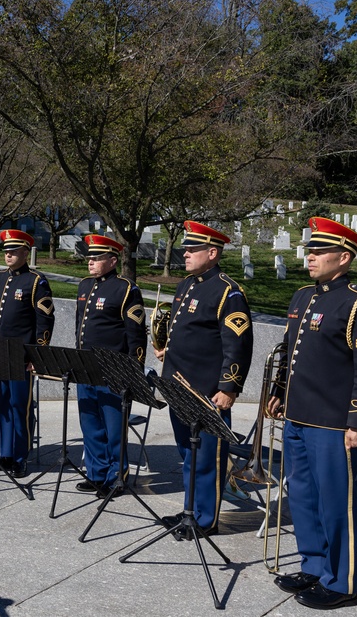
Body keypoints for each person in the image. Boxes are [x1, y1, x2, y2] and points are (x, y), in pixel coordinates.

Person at [267, 217, 357, 610]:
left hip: (335, 423)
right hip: (298, 417)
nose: (310, 256)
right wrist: (278, 392)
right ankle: (315, 565)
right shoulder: (303, 295)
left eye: (319, 251)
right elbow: (289, 351)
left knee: (335, 503)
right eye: (309, 250)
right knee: (301, 496)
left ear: (345, 257)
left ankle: (342, 582)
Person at [154, 221, 253, 540]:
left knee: (207, 459)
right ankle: (189, 511)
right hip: (179, 387)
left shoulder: (228, 291)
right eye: (186, 248)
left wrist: (229, 388)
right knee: (188, 454)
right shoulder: (187, 285)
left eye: (193, 249)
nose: (185, 253)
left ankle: (205, 519)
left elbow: (237, 344)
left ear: (212, 252)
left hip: (207, 392)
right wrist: (167, 349)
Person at [0, 229, 55, 479]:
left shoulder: (36, 281)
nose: (8, 254)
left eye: (13, 251)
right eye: (5, 250)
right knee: (3, 406)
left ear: (25, 252)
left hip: (22, 355)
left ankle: (20, 457)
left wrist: (38, 355)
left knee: (20, 407)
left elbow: (45, 321)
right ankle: (6, 453)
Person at [75, 234, 147, 499]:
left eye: (97, 258)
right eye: (89, 258)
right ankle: (96, 474)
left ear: (113, 260)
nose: (90, 262)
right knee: (91, 424)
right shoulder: (84, 286)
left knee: (114, 427)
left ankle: (117, 477)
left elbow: (136, 335)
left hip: (114, 369)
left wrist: (133, 372)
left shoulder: (126, 289)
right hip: (86, 367)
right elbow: (79, 326)